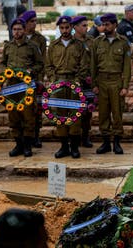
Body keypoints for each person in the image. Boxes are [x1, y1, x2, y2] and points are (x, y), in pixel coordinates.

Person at [0, 18, 44, 157]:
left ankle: (27, 146)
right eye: (14, 29)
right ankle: (18, 145)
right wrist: (5, 71)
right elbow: (2, 63)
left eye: (19, 29)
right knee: (13, 116)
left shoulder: (32, 46)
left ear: (24, 30)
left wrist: (31, 71)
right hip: (11, 86)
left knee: (28, 116)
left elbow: (40, 64)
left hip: (26, 86)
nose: (17, 32)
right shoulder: (8, 46)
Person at [46, 16, 86, 159]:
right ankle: (64, 147)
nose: (65, 30)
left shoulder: (79, 45)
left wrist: (77, 80)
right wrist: (53, 79)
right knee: (60, 114)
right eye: (62, 28)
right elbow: (48, 65)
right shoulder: (53, 45)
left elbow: (84, 65)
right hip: (58, 83)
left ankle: (74, 147)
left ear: (72, 27)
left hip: (74, 82)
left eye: (67, 27)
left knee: (75, 114)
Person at [91, 13, 131, 155]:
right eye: (103, 24)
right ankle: (106, 142)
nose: (104, 27)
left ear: (115, 25)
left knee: (117, 113)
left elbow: (127, 66)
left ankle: (117, 143)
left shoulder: (123, 42)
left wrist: (125, 86)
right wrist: (94, 84)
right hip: (101, 82)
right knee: (103, 113)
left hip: (116, 82)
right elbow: (93, 65)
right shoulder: (97, 42)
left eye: (107, 24)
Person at [20, 10, 47, 148]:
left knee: (36, 109)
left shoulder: (40, 39)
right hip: (20, 82)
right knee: (23, 109)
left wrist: (41, 80)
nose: (35, 24)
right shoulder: (19, 37)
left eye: (36, 21)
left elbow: (43, 61)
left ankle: (36, 135)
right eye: (32, 21)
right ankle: (25, 138)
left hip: (35, 79)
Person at [72, 15, 94, 148]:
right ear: (75, 27)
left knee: (87, 111)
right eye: (84, 25)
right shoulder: (71, 42)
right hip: (75, 80)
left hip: (88, 81)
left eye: (87, 25)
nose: (87, 28)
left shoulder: (91, 41)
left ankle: (85, 136)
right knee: (74, 110)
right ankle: (74, 136)